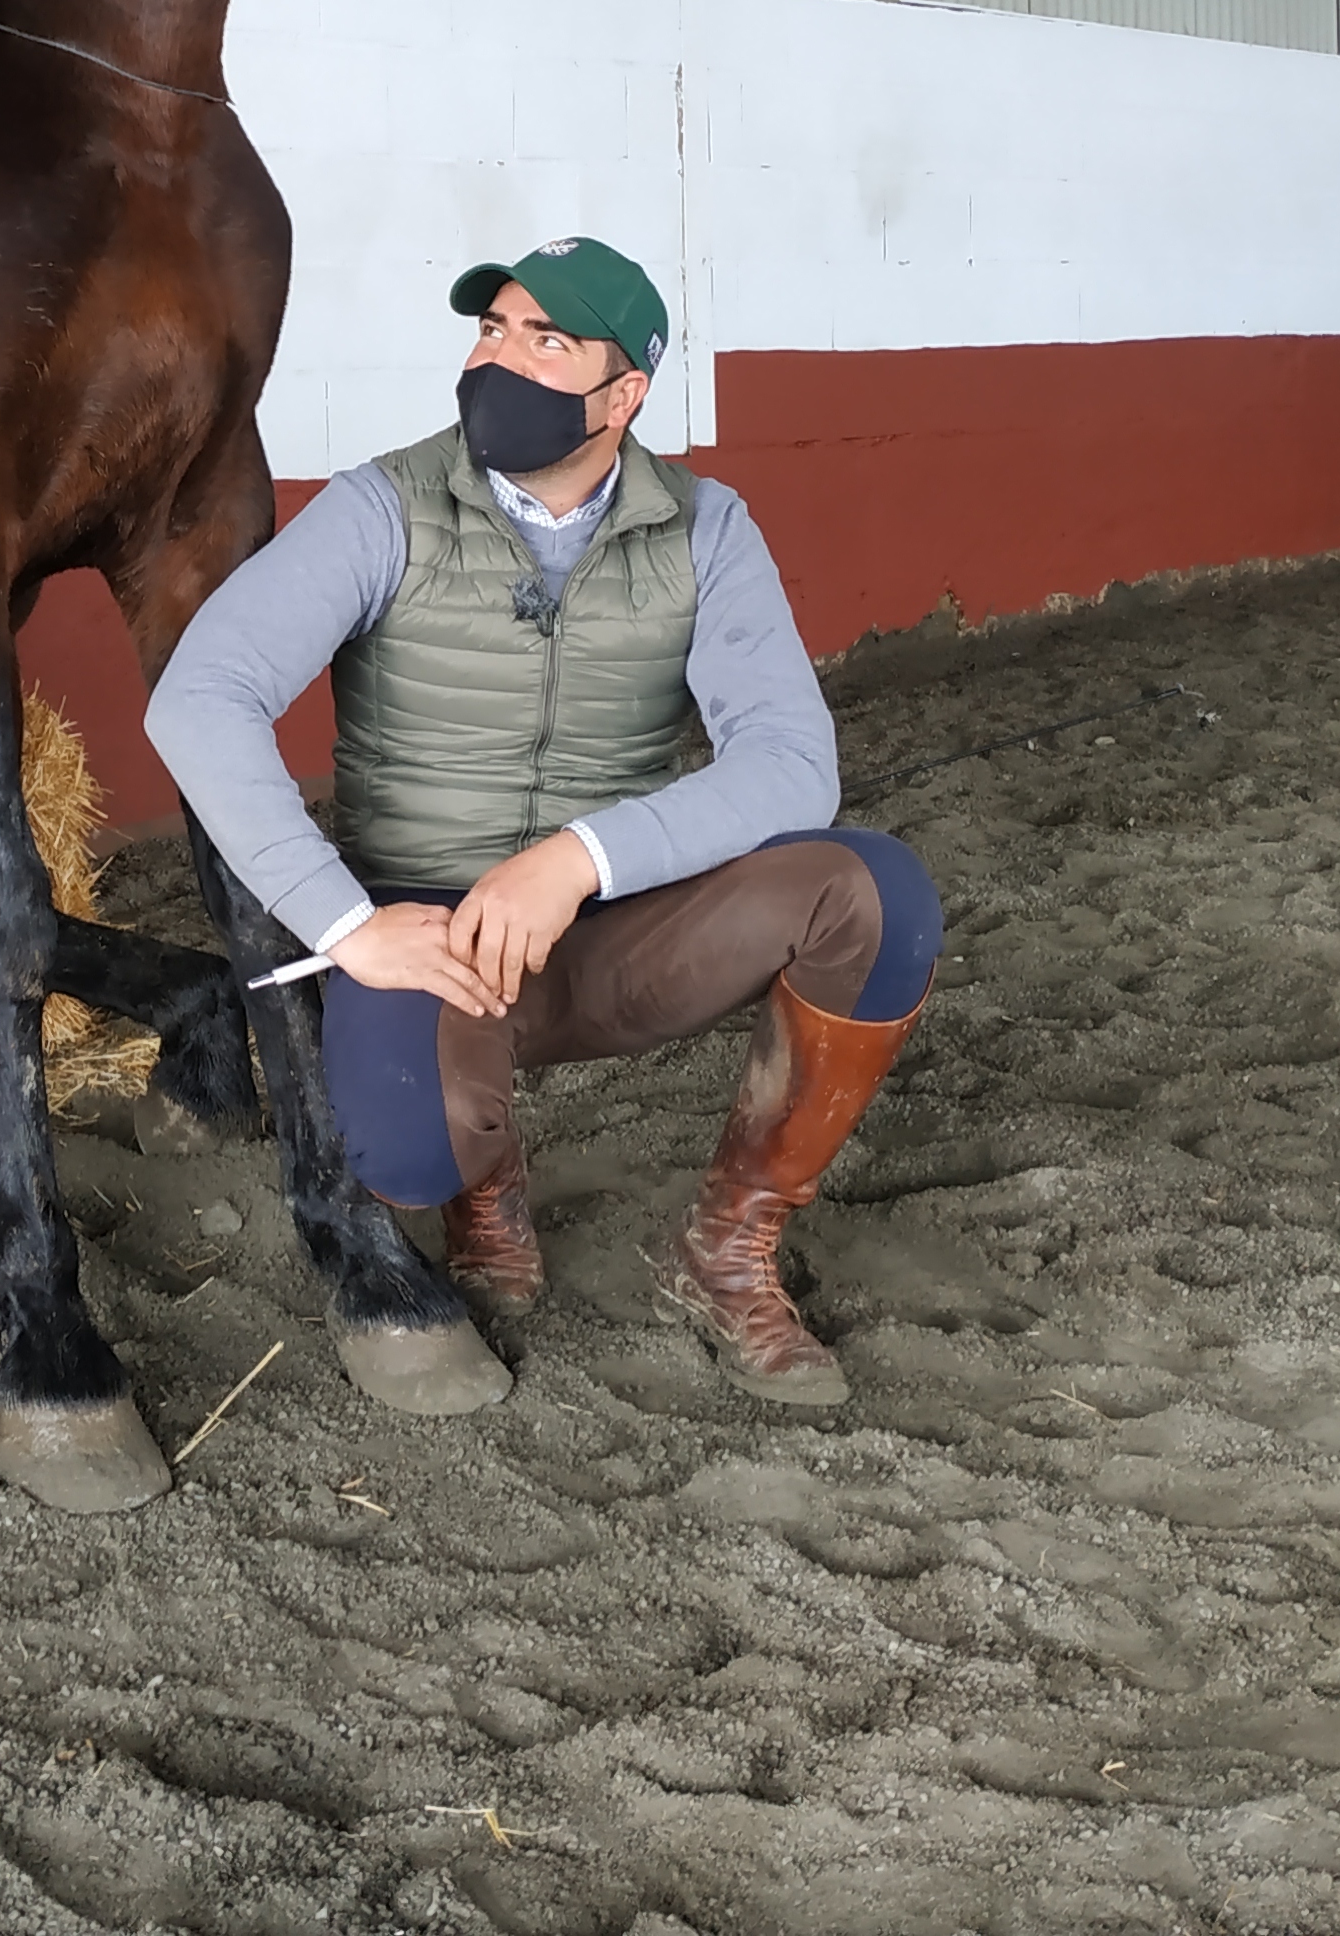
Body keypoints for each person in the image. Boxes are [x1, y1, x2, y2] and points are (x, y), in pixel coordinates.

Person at [142, 237, 939, 1406]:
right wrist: (349, 925)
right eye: (491, 330)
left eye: (545, 341)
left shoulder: (706, 529)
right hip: (431, 940)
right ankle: (485, 1178)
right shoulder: (384, 507)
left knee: (875, 897)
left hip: (614, 925)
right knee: (408, 1152)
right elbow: (198, 697)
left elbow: (789, 761)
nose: (498, 359)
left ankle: (729, 1244)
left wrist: (578, 859)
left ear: (622, 398)